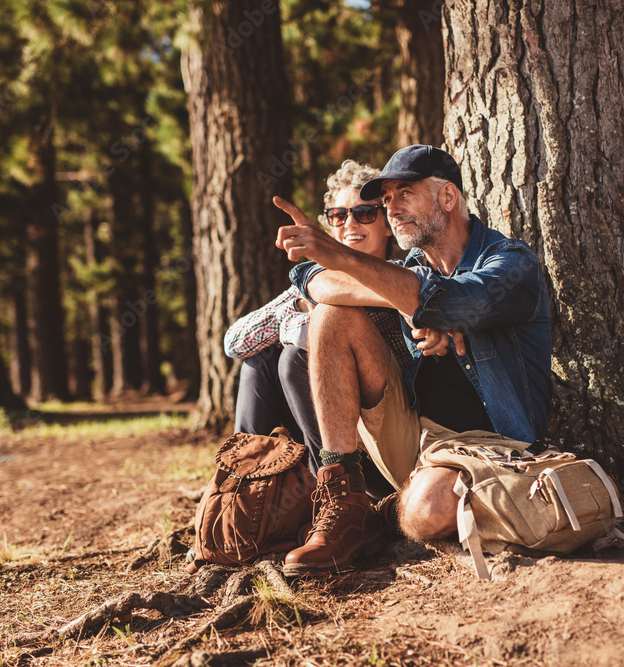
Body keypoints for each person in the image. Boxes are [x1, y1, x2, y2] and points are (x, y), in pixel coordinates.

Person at [273, 144, 552, 575]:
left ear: (447, 197)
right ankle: (343, 504)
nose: (392, 209)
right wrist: (408, 304)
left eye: (404, 193)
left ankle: (382, 515)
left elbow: (459, 300)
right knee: (331, 317)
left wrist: (421, 302)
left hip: (491, 447)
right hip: (414, 436)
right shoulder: (412, 270)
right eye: (386, 200)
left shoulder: (512, 263)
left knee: (426, 511)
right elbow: (314, 281)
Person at [224, 159, 410, 494]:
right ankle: (241, 494)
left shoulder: (400, 274)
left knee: (294, 358)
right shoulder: (311, 280)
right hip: (320, 427)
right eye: (338, 215)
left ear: (387, 223)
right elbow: (235, 342)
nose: (350, 223)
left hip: (384, 432)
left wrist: (314, 312)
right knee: (259, 362)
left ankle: (339, 495)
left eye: (364, 213)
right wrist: (299, 306)